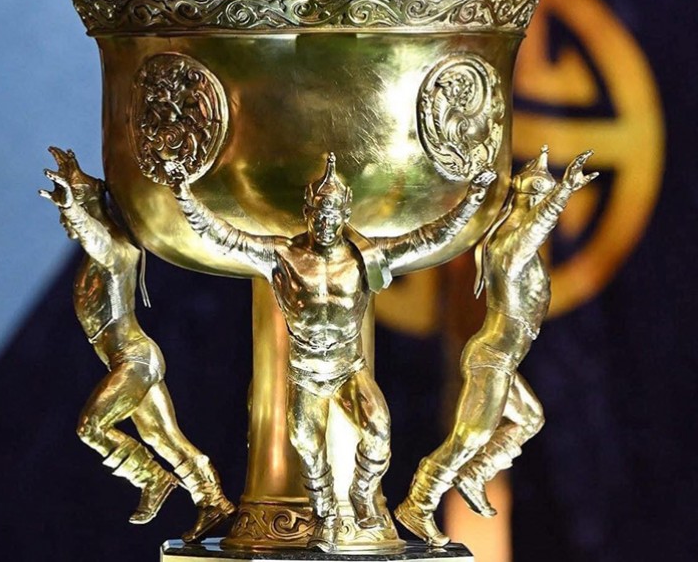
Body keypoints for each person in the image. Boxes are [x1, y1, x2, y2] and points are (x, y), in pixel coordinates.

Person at [165, 152, 496, 551]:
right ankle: (324, 514)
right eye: (319, 214)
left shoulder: (364, 258)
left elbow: (431, 238)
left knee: (378, 431)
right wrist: (183, 194)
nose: (325, 222)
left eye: (332, 214)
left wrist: (473, 198)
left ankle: (362, 492)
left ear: (343, 216)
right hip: (306, 373)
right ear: (308, 212)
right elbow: (223, 236)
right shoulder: (284, 256)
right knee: (307, 444)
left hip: (348, 369)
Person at [395, 146, 597, 546]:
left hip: (503, 359)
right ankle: (419, 502)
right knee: (467, 438)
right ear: (528, 200)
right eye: (538, 197)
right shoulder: (509, 247)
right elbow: (537, 228)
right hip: (493, 358)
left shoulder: (515, 246)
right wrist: (565, 191)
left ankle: (475, 472)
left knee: (530, 419)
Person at [40, 147, 234, 542]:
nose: (67, 226)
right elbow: (92, 221)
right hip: (135, 359)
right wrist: (77, 189)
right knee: (163, 438)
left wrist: (72, 209)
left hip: (134, 360)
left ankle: (149, 477)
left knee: (91, 427)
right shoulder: (107, 253)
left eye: (75, 217)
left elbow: (92, 235)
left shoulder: (116, 252)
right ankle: (213, 500)